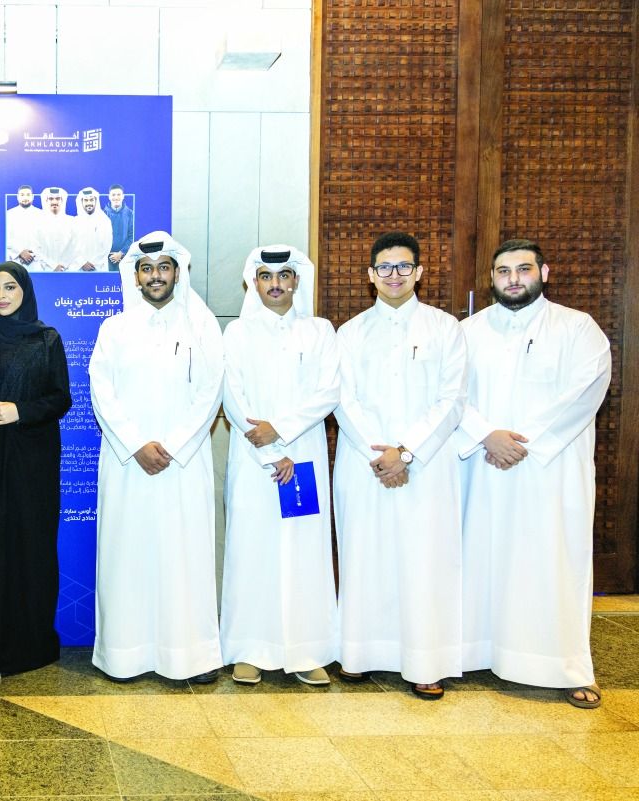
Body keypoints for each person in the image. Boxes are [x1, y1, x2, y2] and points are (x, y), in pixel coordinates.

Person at [456, 238, 611, 709]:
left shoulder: (577, 328)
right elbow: (450, 395)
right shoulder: (468, 332)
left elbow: (585, 390)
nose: (513, 279)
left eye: (523, 269)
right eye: (503, 271)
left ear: (544, 273)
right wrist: (487, 435)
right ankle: (473, 652)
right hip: (484, 467)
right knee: (480, 556)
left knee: (553, 562)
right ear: (492, 278)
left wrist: (524, 443)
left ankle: (565, 666)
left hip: (551, 470)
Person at [332, 231, 467, 700]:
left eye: (404, 266)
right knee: (364, 556)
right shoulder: (349, 333)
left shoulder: (445, 329)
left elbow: (453, 399)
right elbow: (342, 399)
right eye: (385, 267)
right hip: (364, 463)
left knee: (423, 560)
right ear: (371, 275)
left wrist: (406, 452)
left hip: (425, 465)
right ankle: (359, 653)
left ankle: (425, 662)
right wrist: (381, 454)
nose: (394, 275)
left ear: (419, 272)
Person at [88, 232, 224, 682]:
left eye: (163, 267)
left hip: (183, 464)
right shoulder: (114, 328)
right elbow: (101, 391)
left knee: (184, 557)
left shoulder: (201, 325)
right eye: (146, 269)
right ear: (135, 276)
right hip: (128, 464)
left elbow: (211, 390)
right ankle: (124, 655)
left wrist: (173, 445)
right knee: (127, 556)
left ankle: (191, 657)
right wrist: (135, 444)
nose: (155, 276)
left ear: (177, 273)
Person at [219, 247, 339, 686]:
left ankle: (306, 651)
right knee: (251, 550)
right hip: (254, 461)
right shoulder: (236, 333)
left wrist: (281, 431)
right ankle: (248, 649)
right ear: (253, 282)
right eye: (266, 276)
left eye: (283, 275)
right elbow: (233, 398)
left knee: (303, 552)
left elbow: (329, 391)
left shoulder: (319, 331)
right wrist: (270, 450)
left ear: (296, 281)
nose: (275, 284)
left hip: (303, 458)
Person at [0, 263, 72, 676]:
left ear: (25, 290)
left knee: (28, 545)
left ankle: (27, 645)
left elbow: (60, 398)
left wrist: (19, 411)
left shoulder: (46, 338)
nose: (1, 296)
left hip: (31, 463)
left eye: (9, 287)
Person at [70, 187, 114, 271]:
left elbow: (106, 246)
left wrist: (94, 264)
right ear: (81, 202)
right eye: (86, 200)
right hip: (79, 268)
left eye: (91, 200)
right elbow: (71, 245)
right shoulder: (75, 222)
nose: (89, 203)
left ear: (96, 201)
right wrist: (82, 262)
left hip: (98, 268)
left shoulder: (104, 221)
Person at [32, 187, 74, 272]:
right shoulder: (37, 222)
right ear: (46, 201)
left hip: (69, 269)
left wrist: (64, 265)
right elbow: (35, 248)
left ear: (62, 201)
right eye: (51, 199)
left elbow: (75, 247)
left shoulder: (72, 221)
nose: (54, 202)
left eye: (58, 199)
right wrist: (53, 266)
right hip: (44, 269)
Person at [5, 185, 43, 268]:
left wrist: (32, 255)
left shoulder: (41, 214)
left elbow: (44, 240)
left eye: (28, 195)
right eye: (22, 195)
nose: (25, 197)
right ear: (17, 197)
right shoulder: (9, 214)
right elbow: (7, 238)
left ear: (33, 197)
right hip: (15, 260)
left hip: (36, 261)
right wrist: (20, 253)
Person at [103, 184, 134, 270]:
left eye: (118, 195)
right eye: (113, 195)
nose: (116, 197)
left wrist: (121, 253)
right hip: (105, 259)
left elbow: (132, 236)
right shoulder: (102, 215)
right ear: (109, 197)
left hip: (125, 258)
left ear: (123, 196)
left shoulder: (130, 214)